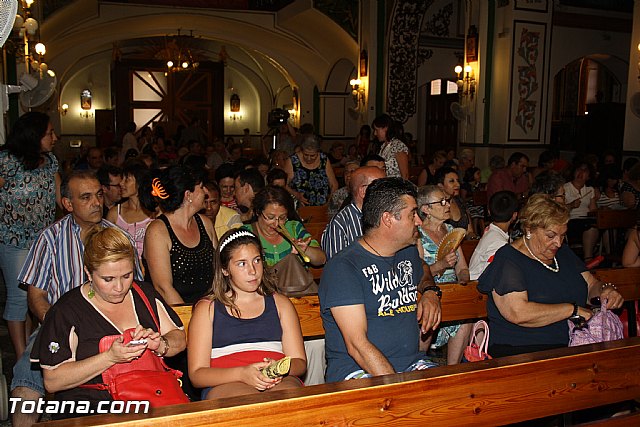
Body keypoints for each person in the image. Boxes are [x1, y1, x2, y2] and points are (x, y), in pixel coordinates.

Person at [10, 170, 143, 427]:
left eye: (99, 195)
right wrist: (57, 324)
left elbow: (135, 288)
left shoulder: (118, 237)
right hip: (59, 325)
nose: (96, 203)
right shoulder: (50, 238)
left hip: (113, 321)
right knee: (27, 382)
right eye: (86, 197)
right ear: (68, 204)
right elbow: (36, 295)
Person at [31, 226, 186, 419]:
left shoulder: (143, 294)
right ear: (88, 272)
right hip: (92, 409)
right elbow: (53, 381)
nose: (119, 287)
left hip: (151, 399)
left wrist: (160, 344)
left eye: (127, 276)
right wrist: (109, 357)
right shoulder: (66, 311)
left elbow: (179, 337)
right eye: (108, 279)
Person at [319, 177, 441, 382]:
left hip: (411, 363)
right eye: (412, 214)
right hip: (357, 369)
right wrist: (397, 387)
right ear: (388, 219)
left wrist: (430, 291)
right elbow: (357, 345)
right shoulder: (344, 268)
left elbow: (423, 268)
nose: (419, 221)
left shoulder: (406, 251)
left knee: (457, 393)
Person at [477, 194, 624, 357]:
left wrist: (605, 290)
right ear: (529, 229)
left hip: (572, 343)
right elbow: (518, 312)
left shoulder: (563, 253)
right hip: (522, 349)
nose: (558, 243)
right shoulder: (509, 259)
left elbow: (591, 285)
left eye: (562, 235)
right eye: (551, 235)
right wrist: (571, 310)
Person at [187, 229, 306, 399]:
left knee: (291, 399)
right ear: (225, 270)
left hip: (278, 380)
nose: (252, 270)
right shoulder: (208, 309)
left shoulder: (280, 304)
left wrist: (281, 367)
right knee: (249, 404)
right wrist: (242, 374)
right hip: (227, 382)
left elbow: (300, 362)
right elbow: (197, 374)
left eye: (256, 260)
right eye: (241, 263)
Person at [0, 112, 60, 361]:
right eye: (49, 134)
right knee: (19, 298)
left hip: (44, 240)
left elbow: (60, 197)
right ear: (34, 136)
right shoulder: (7, 161)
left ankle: (36, 348)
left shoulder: (51, 161)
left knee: (41, 295)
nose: (55, 138)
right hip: (14, 240)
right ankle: (21, 358)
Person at [143, 165, 218, 304]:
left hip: (208, 307)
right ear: (188, 195)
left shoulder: (205, 223)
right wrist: (190, 319)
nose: (206, 192)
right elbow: (163, 288)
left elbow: (219, 271)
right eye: (201, 187)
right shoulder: (158, 231)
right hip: (175, 312)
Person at [415, 185, 471, 365]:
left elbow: (462, 268)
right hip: (428, 292)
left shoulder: (450, 231)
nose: (448, 205)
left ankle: (453, 369)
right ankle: (418, 364)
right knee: (428, 314)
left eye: (447, 201)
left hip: (451, 292)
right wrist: (441, 265)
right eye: (442, 202)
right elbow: (417, 274)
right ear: (426, 209)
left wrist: (463, 280)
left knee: (467, 313)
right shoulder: (417, 234)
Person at [242, 186, 326, 268]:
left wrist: (306, 249)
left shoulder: (293, 228)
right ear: (258, 212)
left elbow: (321, 259)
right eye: (270, 217)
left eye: (282, 218)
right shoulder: (246, 233)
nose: (276, 223)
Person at [322, 166, 386, 260]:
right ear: (364, 191)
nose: (389, 193)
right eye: (383, 188)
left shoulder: (388, 216)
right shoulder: (340, 223)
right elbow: (338, 267)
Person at [107, 159, 154, 258]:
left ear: (139, 182)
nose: (121, 183)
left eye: (127, 179)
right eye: (122, 179)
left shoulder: (154, 212)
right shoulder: (115, 213)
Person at [469, 191, 519, 280]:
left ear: (489, 211)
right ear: (514, 215)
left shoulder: (492, 231)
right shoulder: (499, 244)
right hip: (477, 288)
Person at [284, 135, 338, 206]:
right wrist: (296, 194)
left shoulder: (324, 159)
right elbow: (283, 184)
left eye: (312, 156)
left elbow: (334, 184)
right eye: (306, 155)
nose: (309, 158)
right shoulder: (293, 161)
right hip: (299, 205)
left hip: (321, 206)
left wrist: (329, 202)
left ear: (318, 152)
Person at [564, 162, 599, 262]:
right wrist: (571, 205)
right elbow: (557, 208)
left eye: (585, 171)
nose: (581, 173)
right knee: (590, 227)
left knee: (598, 225)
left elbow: (593, 210)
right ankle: (588, 259)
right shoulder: (565, 188)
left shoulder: (589, 190)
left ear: (588, 176)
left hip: (586, 220)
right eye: (579, 170)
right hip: (571, 221)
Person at [435, 166, 475, 238]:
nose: (458, 185)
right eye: (452, 181)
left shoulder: (460, 202)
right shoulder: (435, 206)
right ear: (440, 186)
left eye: (458, 181)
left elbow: (470, 231)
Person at [372, 114, 409, 179]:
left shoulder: (397, 145)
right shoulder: (383, 146)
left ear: (385, 128)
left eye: (376, 130)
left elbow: (405, 175)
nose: (375, 133)